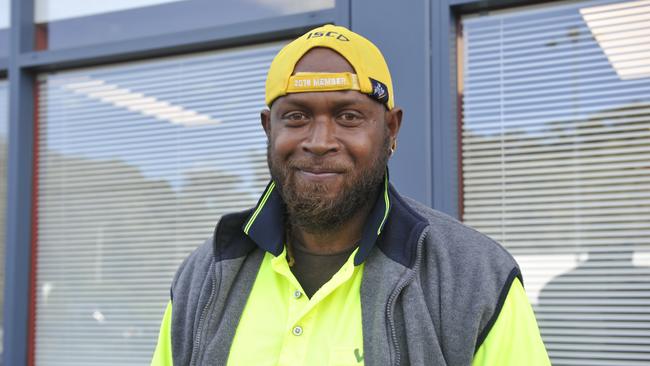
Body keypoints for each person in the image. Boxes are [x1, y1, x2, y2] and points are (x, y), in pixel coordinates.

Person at [151, 24, 550, 366]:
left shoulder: (473, 278)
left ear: (391, 130)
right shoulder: (205, 277)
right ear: (268, 129)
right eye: (296, 116)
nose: (320, 141)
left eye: (348, 116)